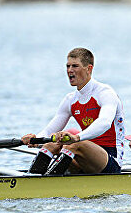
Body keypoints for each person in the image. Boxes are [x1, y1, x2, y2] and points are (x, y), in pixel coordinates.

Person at [21, 47, 125, 175]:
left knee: (74, 145)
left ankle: (45, 183)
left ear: (89, 69)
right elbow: (49, 131)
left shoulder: (105, 93)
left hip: (110, 160)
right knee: (51, 144)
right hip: (84, 158)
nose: (70, 70)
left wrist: (76, 137)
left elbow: (104, 123)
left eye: (75, 66)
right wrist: (35, 139)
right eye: (68, 66)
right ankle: (31, 178)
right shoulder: (70, 99)